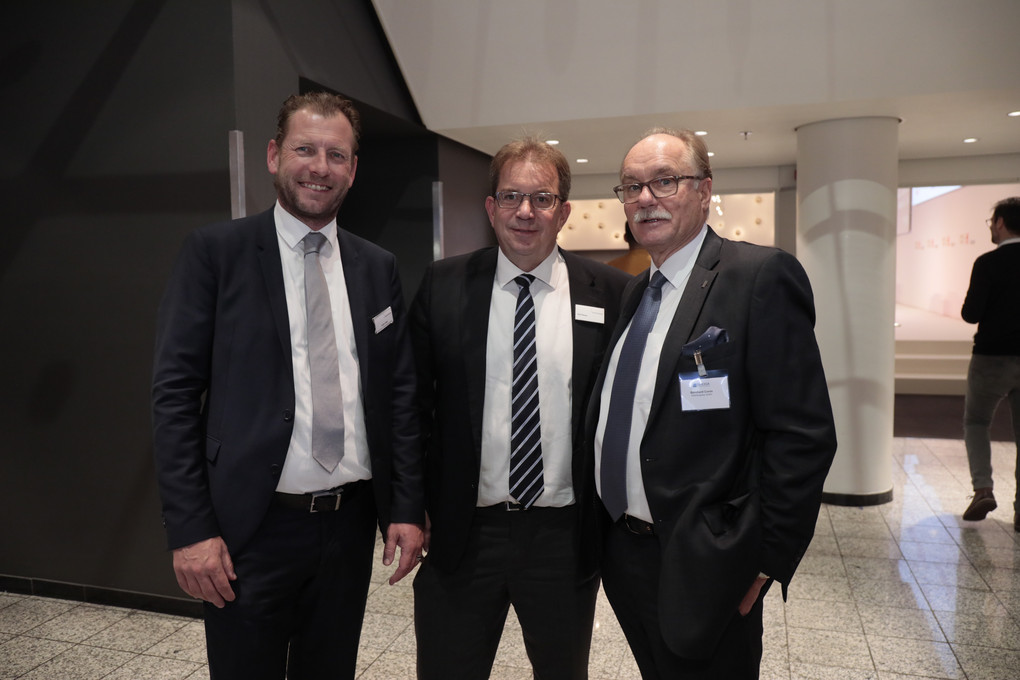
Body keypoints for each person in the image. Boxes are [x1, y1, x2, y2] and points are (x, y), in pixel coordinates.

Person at [151, 91, 424, 680]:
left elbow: (397, 395)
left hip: (349, 527)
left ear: (353, 169)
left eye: (336, 155)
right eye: (305, 150)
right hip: (249, 531)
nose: (320, 167)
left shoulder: (377, 266)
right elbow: (173, 398)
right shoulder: (216, 254)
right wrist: (191, 530)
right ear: (275, 155)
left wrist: (405, 507)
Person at [586, 128, 837, 678]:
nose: (645, 198)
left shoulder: (759, 277)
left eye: (664, 181)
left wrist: (765, 560)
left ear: (704, 190)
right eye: (631, 186)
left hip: (709, 560)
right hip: (624, 551)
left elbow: (803, 434)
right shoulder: (636, 290)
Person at [410, 137, 630, 680]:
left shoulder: (611, 292)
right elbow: (410, 406)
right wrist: (409, 506)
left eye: (542, 198)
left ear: (564, 212)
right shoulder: (443, 285)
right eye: (511, 196)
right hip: (464, 532)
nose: (525, 211)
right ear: (491, 208)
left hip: (564, 537)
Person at [960, 196, 1020, 532]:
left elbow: (971, 314)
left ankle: (983, 489)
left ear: (1000, 222)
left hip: (991, 358)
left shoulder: (987, 263)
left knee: (977, 422)